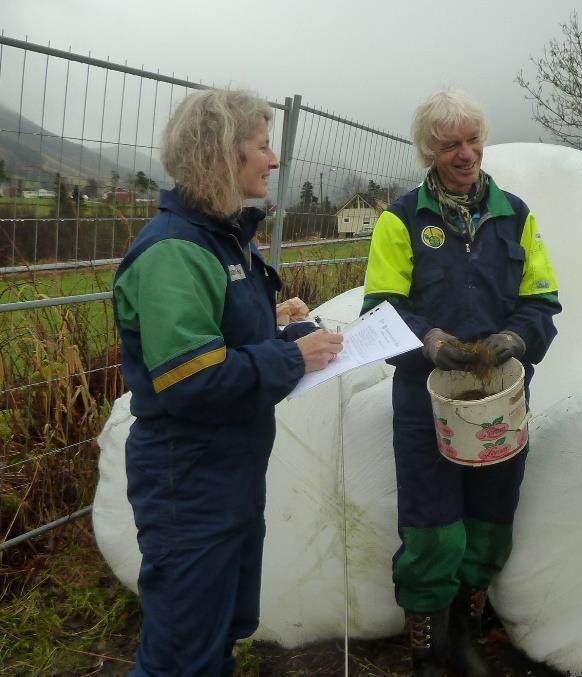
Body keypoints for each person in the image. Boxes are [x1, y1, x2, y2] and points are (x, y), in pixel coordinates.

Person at [113, 89, 344, 676]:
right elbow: (193, 379)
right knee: (182, 650)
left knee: (224, 627)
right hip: (188, 479)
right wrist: (291, 360)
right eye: (263, 146)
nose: (274, 160)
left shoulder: (222, 236)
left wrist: (289, 336)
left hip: (231, 470)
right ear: (221, 155)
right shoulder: (174, 252)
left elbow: (227, 342)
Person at [361, 88, 561, 676]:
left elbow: (542, 300)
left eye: (472, 140)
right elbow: (381, 308)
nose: (465, 153)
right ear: (429, 150)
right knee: (431, 526)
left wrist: (518, 339)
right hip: (426, 401)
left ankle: (467, 631)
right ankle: (425, 645)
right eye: (450, 144)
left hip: (499, 398)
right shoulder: (401, 219)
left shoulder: (515, 215)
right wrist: (431, 342)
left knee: (491, 518)